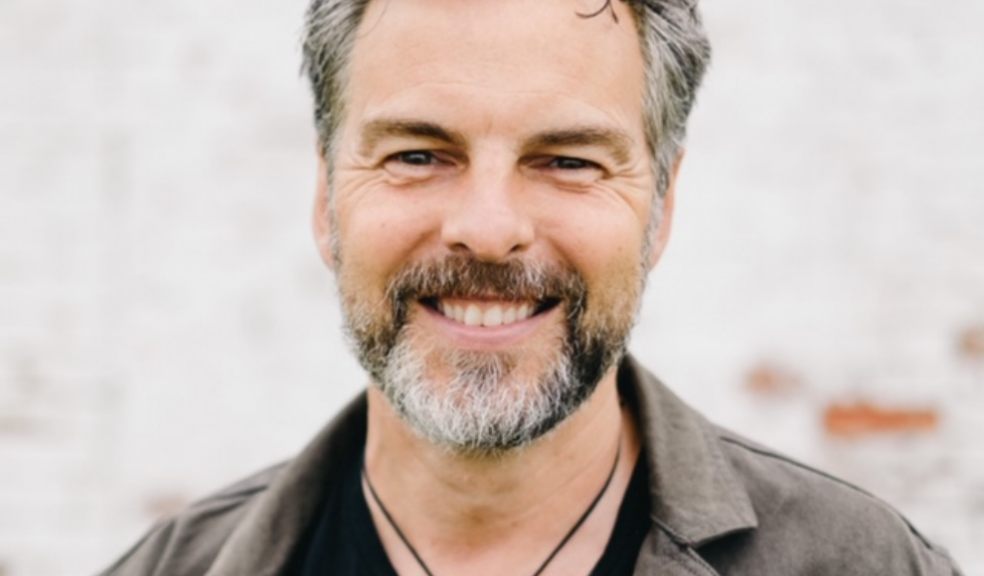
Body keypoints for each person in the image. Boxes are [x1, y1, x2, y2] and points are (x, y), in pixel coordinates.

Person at [102, 0, 963, 574]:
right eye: (417, 154)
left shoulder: (864, 565)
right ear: (327, 200)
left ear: (661, 210)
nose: (488, 226)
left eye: (567, 161)